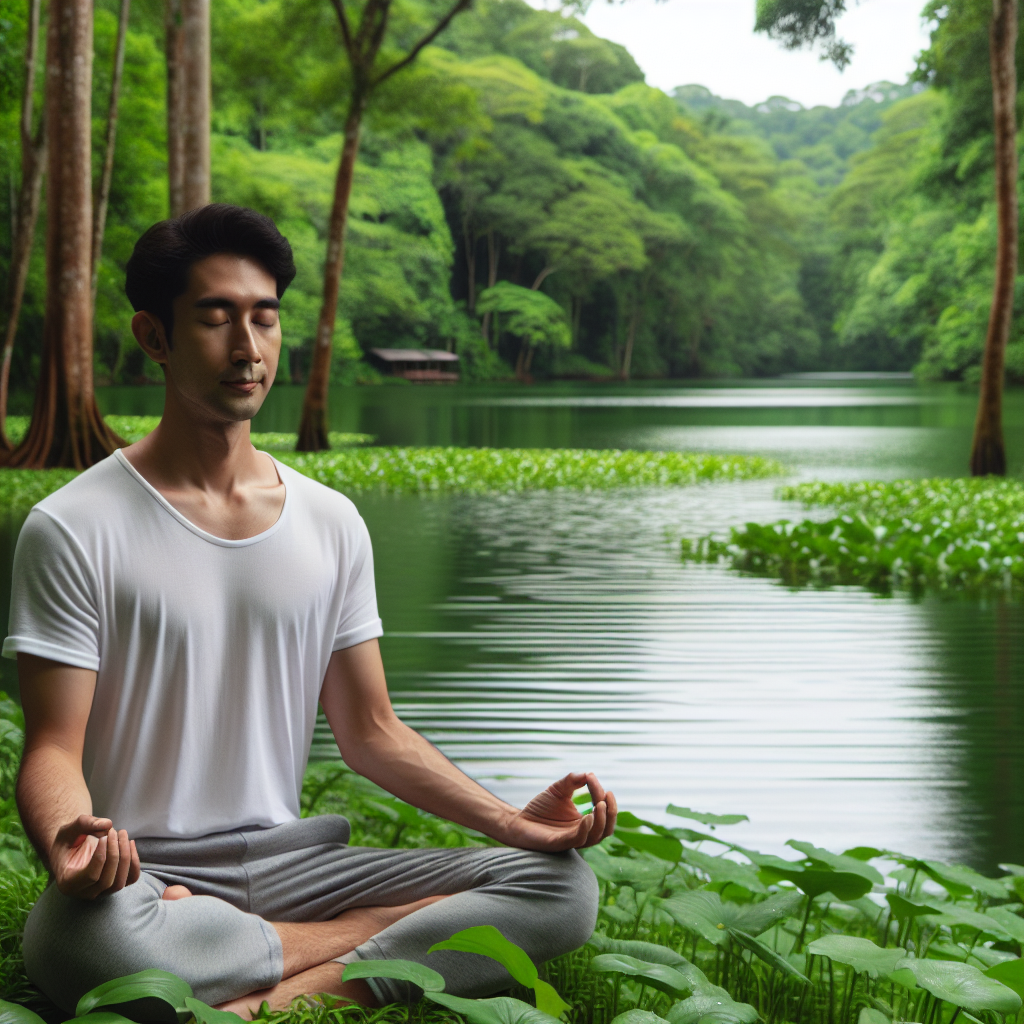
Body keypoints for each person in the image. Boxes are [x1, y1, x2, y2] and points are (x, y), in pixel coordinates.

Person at [4, 205, 615, 1019]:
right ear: (154, 338)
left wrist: (512, 824)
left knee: (559, 887)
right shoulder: (74, 526)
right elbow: (51, 746)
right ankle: (367, 937)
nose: (247, 348)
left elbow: (371, 731)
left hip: (296, 866)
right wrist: (71, 844)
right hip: (146, 873)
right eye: (216, 318)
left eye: (265, 318)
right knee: (82, 945)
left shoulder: (330, 522)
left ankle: (274, 996)